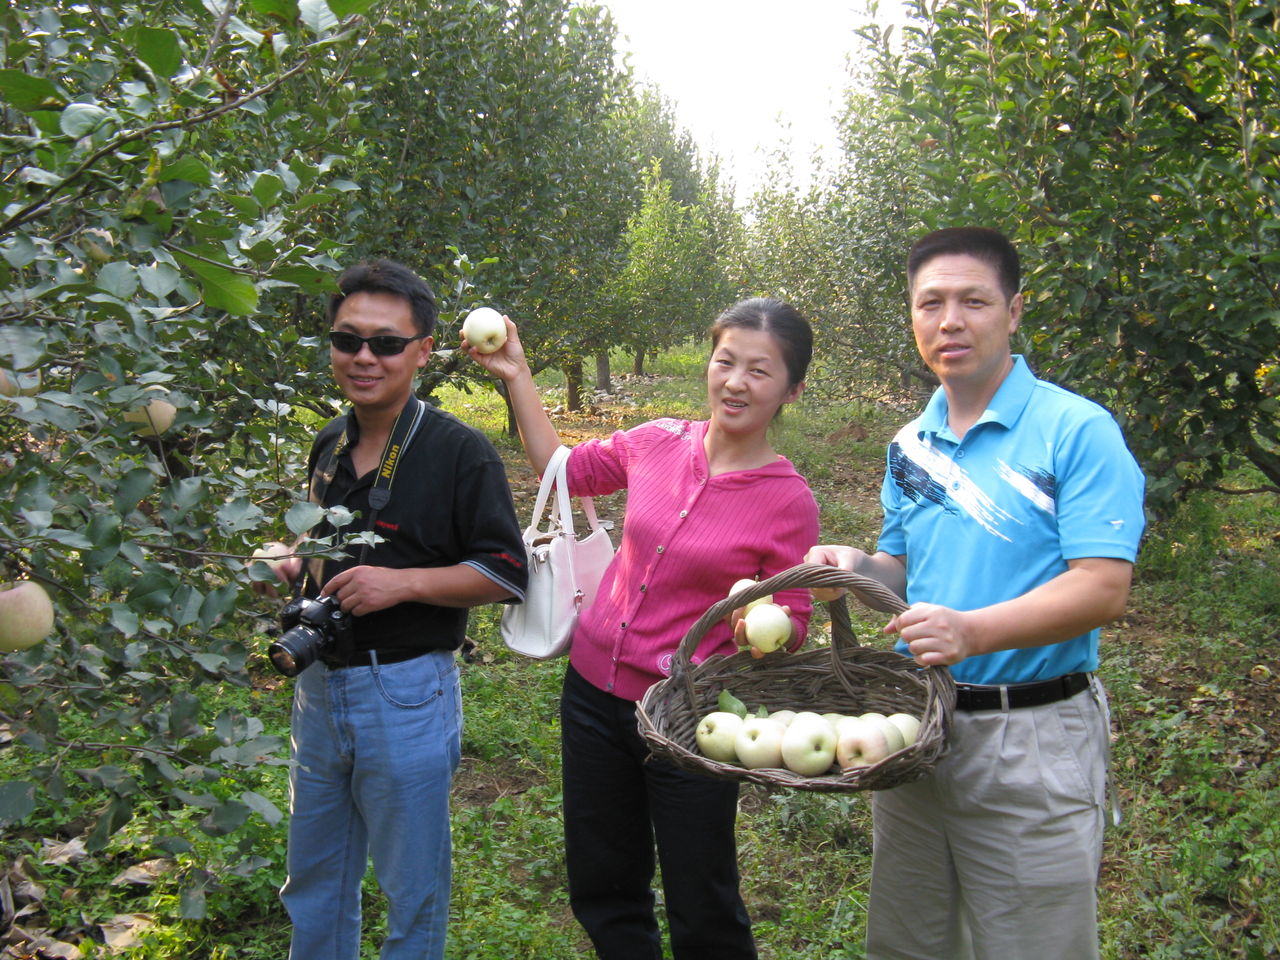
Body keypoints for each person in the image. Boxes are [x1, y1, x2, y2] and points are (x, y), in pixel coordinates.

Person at [806, 227, 1146, 960]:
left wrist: (973, 633)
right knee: (909, 941)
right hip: (915, 728)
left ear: (1015, 310)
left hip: (1031, 739)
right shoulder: (910, 446)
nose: (949, 320)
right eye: (930, 303)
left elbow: (1103, 587)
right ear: (912, 317)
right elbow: (900, 571)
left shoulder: (1074, 431)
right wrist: (856, 563)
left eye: (973, 301)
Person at [465, 298, 820, 960]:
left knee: (701, 894)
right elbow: (560, 470)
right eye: (726, 361)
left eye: (760, 371)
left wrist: (758, 626)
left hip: (688, 718)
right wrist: (516, 376)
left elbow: (792, 623)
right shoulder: (656, 442)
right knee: (604, 881)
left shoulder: (788, 500)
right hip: (593, 696)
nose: (736, 382)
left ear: (791, 390)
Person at [267, 259, 528, 960]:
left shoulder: (458, 452)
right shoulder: (330, 442)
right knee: (315, 875)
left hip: (404, 689)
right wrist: (295, 561)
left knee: (411, 889)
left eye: (385, 343)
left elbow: (506, 573)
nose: (363, 357)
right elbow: (325, 540)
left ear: (421, 352)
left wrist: (402, 584)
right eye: (347, 339)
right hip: (319, 690)